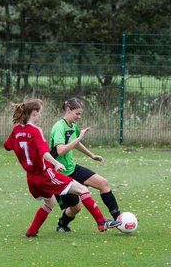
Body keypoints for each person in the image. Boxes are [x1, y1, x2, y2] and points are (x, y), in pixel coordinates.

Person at [3, 98, 121, 238]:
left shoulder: (16, 130)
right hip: (45, 174)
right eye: (39, 113)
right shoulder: (36, 131)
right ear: (34, 113)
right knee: (82, 190)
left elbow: (7, 146)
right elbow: (44, 152)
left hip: (31, 178)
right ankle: (101, 222)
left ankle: (31, 232)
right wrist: (56, 163)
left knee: (50, 203)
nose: (40, 115)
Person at [49, 97, 121, 233]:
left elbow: (76, 143)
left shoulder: (72, 126)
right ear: (68, 110)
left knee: (103, 183)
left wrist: (91, 155)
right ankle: (62, 224)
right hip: (60, 174)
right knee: (76, 208)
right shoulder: (59, 127)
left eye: (81, 113)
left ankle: (119, 220)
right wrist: (79, 138)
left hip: (72, 168)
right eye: (77, 113)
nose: (79, 117)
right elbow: (60, 150)